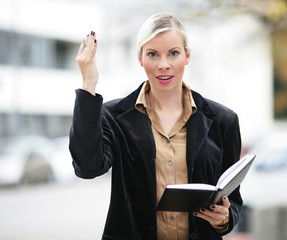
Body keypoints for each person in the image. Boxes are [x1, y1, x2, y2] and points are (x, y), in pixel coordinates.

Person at [69, 13, 242, 240]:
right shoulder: (114, 117)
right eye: (152, 54)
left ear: (187, 56)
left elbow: (234, 201)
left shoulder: (223, 121)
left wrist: (224, 219)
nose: (163, 65)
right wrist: (88, 85)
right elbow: (87, 168)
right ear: (140, 58)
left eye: (173, 53)